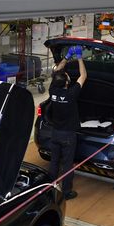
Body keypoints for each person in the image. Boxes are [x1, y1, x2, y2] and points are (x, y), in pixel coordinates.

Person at [48, 45, 87, 200]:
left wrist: (66, 57)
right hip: (68, 135)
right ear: (66, 82)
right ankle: (66, 192)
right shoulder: (71, 94)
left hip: (55, 133)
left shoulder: (53, 90)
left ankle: (49, 188)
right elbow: (83, 75)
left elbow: (58, 72)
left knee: (54, 162)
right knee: (67, 164)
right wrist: (79, 57)